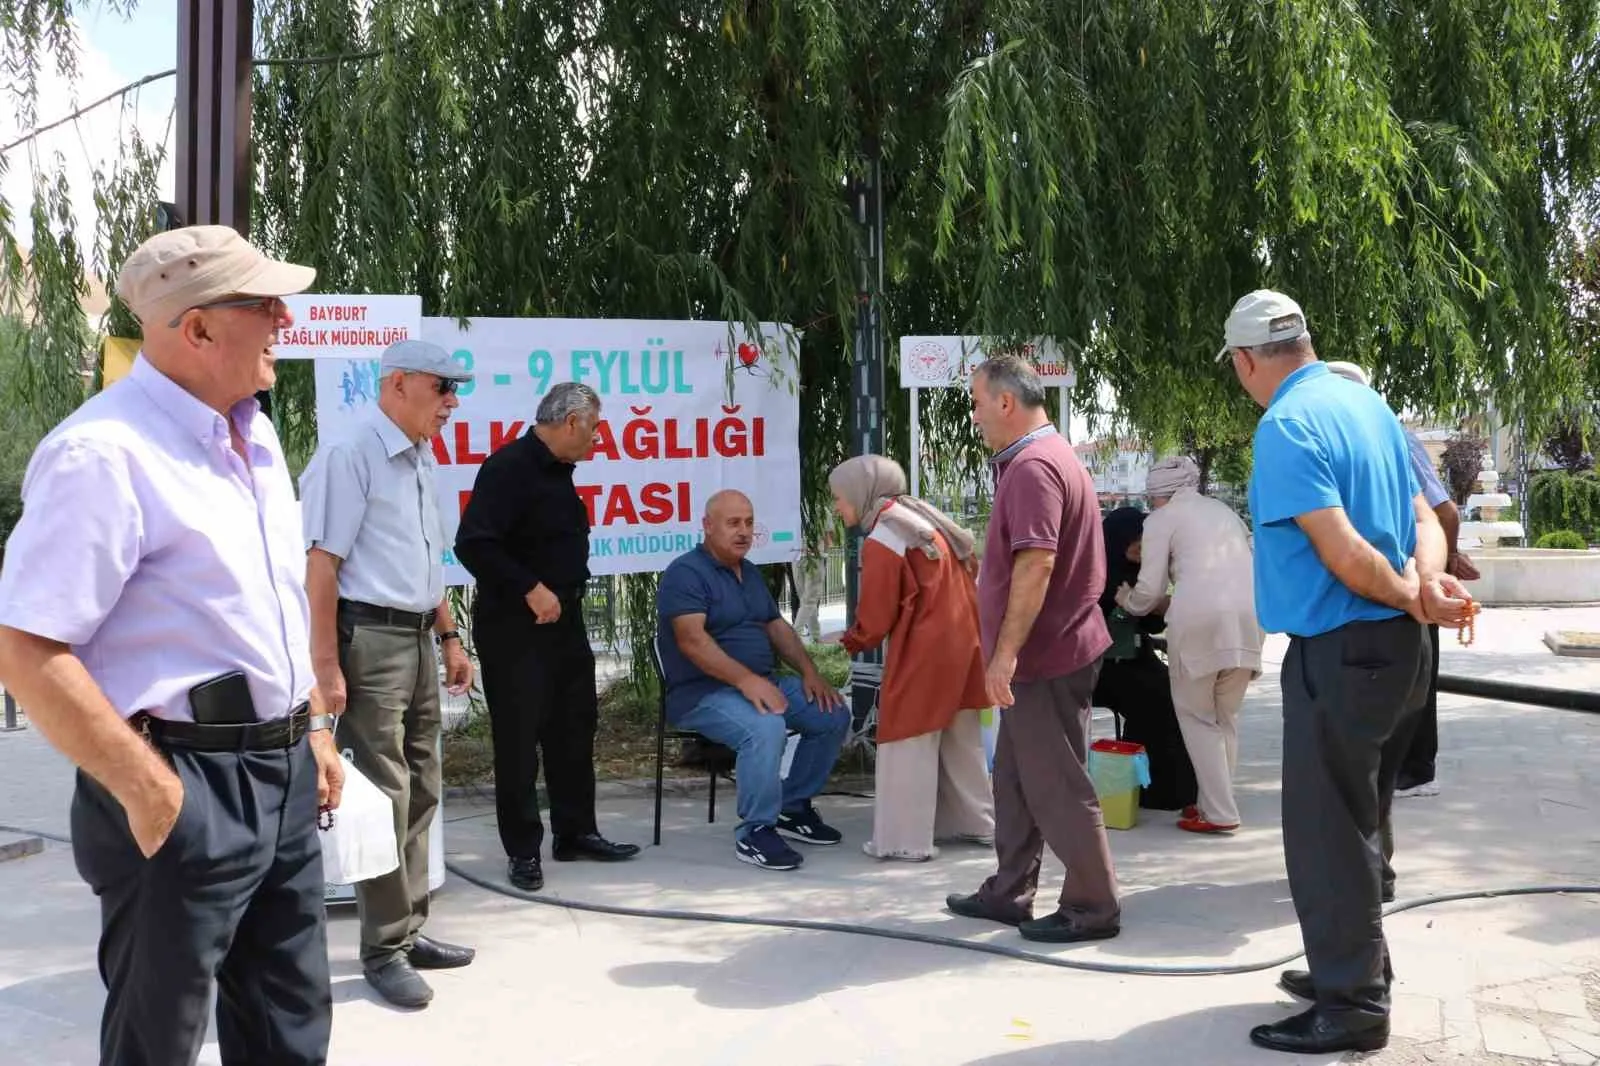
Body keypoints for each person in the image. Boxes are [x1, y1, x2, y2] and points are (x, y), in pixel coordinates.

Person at [0, 225, 344, 1065]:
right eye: (264, 306)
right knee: (159, 1039)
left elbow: (264, 603)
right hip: (180, 779)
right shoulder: (102, 455)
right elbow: (26, 649)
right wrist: (151, 792)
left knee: (289, 1025)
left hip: (283, 771)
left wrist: (313, 727)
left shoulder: (253, 435)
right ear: (196, 329)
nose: (283, 323)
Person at [1219, 289, 1473, 1054]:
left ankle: (1353, 1004)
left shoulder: (1288, 426)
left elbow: (1344, 553)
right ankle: (1354, 967)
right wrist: (1426, 590)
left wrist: (1409, 594)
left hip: (1344, 648)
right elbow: (1428, 517)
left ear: (1245, 361)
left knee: (1327, 832)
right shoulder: (1369, 407)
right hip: (1399, 652)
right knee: (1360, 822)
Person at [299, 339, 477, 1009]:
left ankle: (408, 928)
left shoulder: (421, 459)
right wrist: (324, 667)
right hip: (367, 637)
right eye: (442, 388)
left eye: (456, 390)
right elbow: (321, 567)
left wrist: (450, 634)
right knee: (385, 792)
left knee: (424, 784)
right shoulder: (351, 457)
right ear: (398, 384)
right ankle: (382, 949)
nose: (452, 402)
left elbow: (426, 559)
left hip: (416, 637)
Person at [944, 354, 1122, 945]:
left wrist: (1005, 654)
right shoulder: (1044, 458)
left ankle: (1093, 905)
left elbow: (1037, 561)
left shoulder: (1033, 467)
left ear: (1004, 402)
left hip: (1046, 656)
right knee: (1015, 780)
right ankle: (1009, 891)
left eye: (975, 402)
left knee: (1056, 783)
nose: (973, 415)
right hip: (1046, 652)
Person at [454, 381, 639, 893]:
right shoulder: (508, 468)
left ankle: (576, 831)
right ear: (572, 421)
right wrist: (530, 588)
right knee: (518, 741)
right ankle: (523, 850)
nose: (599, 438)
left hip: (566, 622)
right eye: (596, 427)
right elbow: (474, 545)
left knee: (574, 728)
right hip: (516, 627)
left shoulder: (560, 474)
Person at [656, 490, 851, 871]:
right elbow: (692, 641)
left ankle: (791, 807)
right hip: (703, 693)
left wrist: (810, 673)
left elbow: (776, 627)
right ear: (708, 527)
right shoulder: (685, 573)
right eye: (733, 523)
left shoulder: (749, 573)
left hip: (761, 682)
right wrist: (747, 682)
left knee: (831, 713)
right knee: (764, 727)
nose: (743, 531)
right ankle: (755, 830)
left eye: (748, 522)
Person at [827, 455, 994, 862]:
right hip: (963, 642)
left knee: (907, 739)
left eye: (839, 497)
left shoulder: (886, 534)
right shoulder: (924, 521)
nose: (837, 507)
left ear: (861, 492)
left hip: (925, 648)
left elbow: (878, 614)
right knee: (961, 738)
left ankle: (905, 839)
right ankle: (977, 823)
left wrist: (852, 638)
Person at [1325, 361, 1478, 799]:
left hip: (1415, 580)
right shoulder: (1361, 440)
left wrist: (1439, 572)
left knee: (1418, 679)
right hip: (1401, 581)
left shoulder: (1391, 439)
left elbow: (1443, 511)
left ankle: (1416, 767)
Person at [1116, 456, 1262, 833]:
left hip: (1200, 624)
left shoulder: (1161, 520)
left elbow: (1149, 590)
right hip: (1249, 620)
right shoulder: (1224, 512)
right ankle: (1216, 804)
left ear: (1158, 493)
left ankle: (1219, 813)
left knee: (1197, 717)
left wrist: (1126, 600)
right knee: (1225, 718)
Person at [1093, 507, 1198, 813]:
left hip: (1136, 658)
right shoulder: (1096, 575)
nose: (1141, 549)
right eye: (1135, 542)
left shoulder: (1142, 574)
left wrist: (1148, 602)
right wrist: (1144, 603)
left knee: (1176, 695)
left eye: (1145, 543)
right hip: (1103, 667)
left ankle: (1173, 790)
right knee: (1155, 699)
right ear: (1117, 540)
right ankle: (1152, 790)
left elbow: (1154, 625)